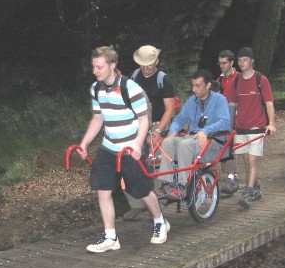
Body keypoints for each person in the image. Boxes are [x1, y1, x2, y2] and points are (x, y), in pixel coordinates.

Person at [77, 46, 170, 253]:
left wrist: (137, 145)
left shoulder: (131, 88)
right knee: (103, 189)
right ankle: (110, 237)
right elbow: (97, 118)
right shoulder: (96, 89)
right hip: (109, 147)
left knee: (142, 190)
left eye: (99, 67)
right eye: (94, 67)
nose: (95, 71)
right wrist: (84, 143)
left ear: (112, 65)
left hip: (130, 147)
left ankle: (159, 221)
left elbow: (144, 119)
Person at [122, 45, 177, 221]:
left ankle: (158, 201)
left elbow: (170, 109)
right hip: (137, 123)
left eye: (149, 64)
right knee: (130, 161)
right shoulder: (134, 77)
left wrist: (159, 130)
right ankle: (137, 203)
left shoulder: (163, 80)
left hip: (157, 123)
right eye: (143, 64)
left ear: (157, 62)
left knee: (155, 163)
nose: (146, 68)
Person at [156, 69, 231, 197]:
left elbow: (225, 122)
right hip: (192, 138)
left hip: (213, 141)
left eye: (198, 86)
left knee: (185, 144)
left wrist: (205, 131)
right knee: (168, 141)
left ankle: (183, 186)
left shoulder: (219, 100)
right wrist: (173, 131)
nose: (194, 89)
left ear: (208, 85)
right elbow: (179, 119)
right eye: (193, 85)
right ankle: (167, 183)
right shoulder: (192, 100)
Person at [225, 47, 276, 208]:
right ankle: (255, 187)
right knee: (247, 160)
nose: (242, 63)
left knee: (252, 160)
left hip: (257, 127)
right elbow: (232, 105)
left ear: (252, 61)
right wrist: (228, 125)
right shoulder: (236, 82)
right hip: (241, 127)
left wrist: (271, 123)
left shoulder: (261, 80)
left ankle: (247, 192)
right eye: (239, 60)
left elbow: (269, 103)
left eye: (245, 60)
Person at [215, 50, 240, 196]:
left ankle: (233, 177)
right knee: (224, 145)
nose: (222, 66)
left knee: (229, 146)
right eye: (220, 63)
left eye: (224, 63)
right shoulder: (219, 80)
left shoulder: (240, 79)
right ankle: (232, 176)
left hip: (237, 118)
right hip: (224, 118)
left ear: (231, 63)